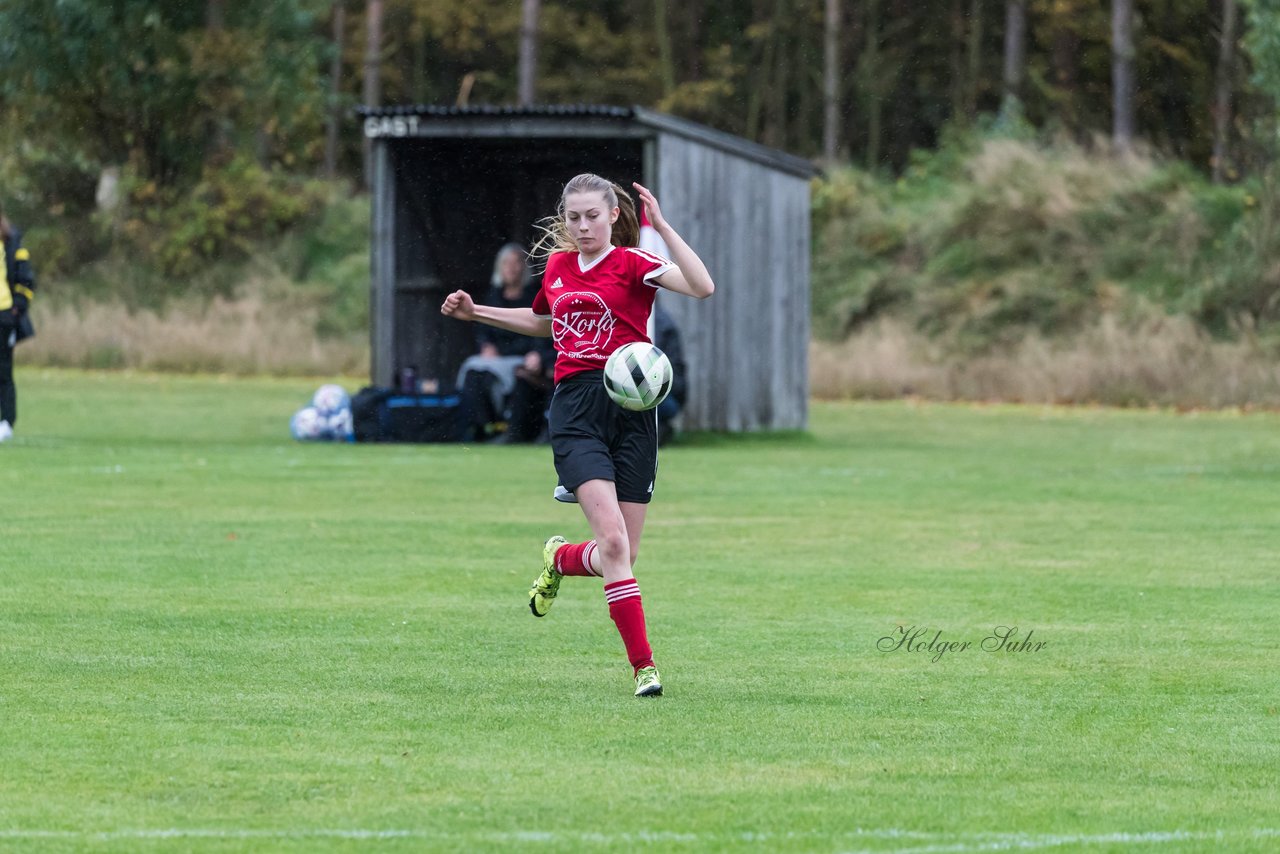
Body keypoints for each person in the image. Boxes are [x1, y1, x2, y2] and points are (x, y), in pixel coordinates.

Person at [440, 174, 715, 697]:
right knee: (612, 542)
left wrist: (662, 226)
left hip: (634, 413)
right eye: (573, 217)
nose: (582, 226)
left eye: (592, 215)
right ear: (564, 220)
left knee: (623, 554)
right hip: (576, 410)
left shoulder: (635, 264)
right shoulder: (561, 267)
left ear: (613, 215)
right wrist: (479, 312)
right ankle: (645, 669)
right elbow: (546, 323)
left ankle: (561, 558)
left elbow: (702, 287)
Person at [453, 243, 551, 443]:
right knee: (473, 373)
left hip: (524, 358)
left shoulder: (535, 296)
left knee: (524, 379)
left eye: (516, 263)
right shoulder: (493, 296)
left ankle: (515, 433)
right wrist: (486, 346)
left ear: (524, 268)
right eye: (507, 263)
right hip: (498, 359)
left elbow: (545, 328)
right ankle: (479, 429)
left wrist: (538, 355)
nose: (512, 268)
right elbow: (484, 330)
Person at [0, 210, 36, 443]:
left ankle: (6, 422)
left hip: (3, 316)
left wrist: (17, 310)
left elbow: (26, 281)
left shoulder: (13, 246)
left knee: (3, 371)